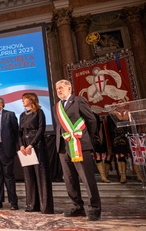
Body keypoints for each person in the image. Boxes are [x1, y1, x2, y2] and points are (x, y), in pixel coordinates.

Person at [53, 79, 101, 221]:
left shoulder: (78, 100)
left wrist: (86, 139)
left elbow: (91, 120)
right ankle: (77, 207)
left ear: (69, 88)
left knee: (87, 178)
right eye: (57, 89)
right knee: (70, 180)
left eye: (61, 88)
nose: (59, 91)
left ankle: (94, 208)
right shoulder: (57, 106)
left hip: (80, 145)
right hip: (63, 148)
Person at [18, 93, 54, 214]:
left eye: (24, 98)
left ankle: (45, 206)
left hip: (37, 145)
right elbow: (19, 132)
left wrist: (31, 145)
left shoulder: (39, 112)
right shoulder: (22, 115)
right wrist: (22, 145)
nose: (22, 101)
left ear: (31, 99)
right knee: (28, 176)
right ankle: (32, 205)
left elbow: (41, 129)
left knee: (41, 175)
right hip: (25, 147)